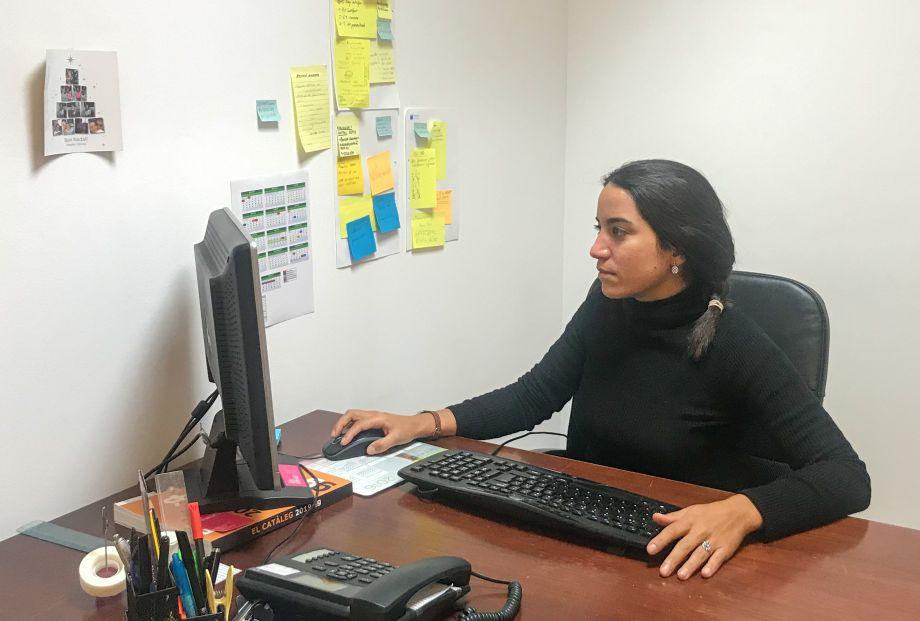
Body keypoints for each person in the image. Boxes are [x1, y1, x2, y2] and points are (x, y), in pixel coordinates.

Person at [332, 159, 871, 581]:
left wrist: (744, 511)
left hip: (674, 556)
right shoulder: (608, 305)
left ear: (677, 249)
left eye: (619, 232)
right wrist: (422, 422)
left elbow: (846, 476)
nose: (596, 249)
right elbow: (534, 395)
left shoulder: (735, 341)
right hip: (584, 531)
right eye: (599, 229)